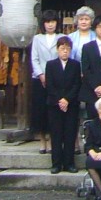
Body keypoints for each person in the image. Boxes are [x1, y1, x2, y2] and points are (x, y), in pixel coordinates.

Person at [45, 35, 81, 174]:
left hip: (71, 104)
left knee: (70, 133)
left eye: (67, 49)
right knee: (56, 134)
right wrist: (60, 99)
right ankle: (56, 163)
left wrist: (67, 99)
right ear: (57, 49)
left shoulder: (75, 65)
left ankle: (69, 163)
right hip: (55, 104)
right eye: (62, 48)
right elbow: (49, 85)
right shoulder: (51, 64)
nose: (65, 51)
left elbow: (77, 84)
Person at [30, 10, 59, 154]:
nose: (50, 25)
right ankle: (42, 140)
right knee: (40, 110)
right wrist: (41, 75)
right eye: (47, 22)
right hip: (39, 79)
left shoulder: (62, 38)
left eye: (53, 22)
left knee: (54, 111)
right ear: (43, 24)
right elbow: (34, 58)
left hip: (57, 80)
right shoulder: (37, 39)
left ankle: (53, 140)